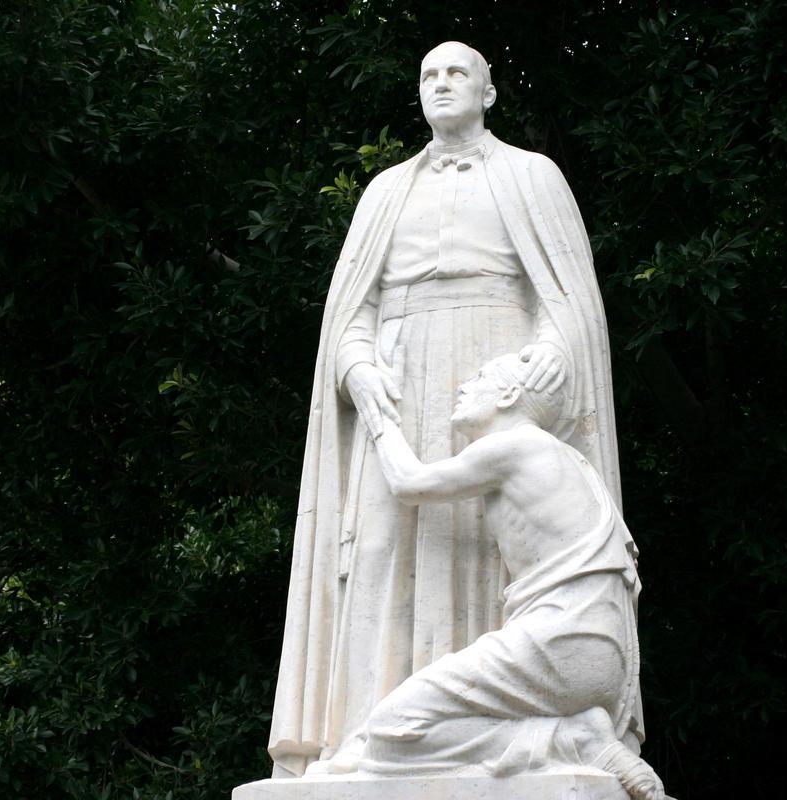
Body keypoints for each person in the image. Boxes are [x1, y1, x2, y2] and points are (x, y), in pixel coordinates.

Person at [268, 41, 631, 777]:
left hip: (491, 376)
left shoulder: (533, 176)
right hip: (397, 390)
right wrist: (359, 370)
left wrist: (549, 354)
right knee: (379, 551)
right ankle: (365, 740)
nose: (440, 84)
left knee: (487, 550)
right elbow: (350, 315)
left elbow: (571, 306)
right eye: (428, 74)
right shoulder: (384, 192)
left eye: (456, 73)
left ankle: (510, 742)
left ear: (489, 92)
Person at [359, 353, 665, 800]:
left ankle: (572, 741)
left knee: (391, 732)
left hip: (559, 642)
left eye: (479, 377)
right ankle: (576, 735)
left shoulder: (514, 445)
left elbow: (409, 483)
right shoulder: (575, 463)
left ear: (508, 395)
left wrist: (378, 415)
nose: (463, 387)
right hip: (604, 658)